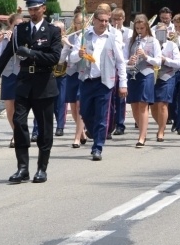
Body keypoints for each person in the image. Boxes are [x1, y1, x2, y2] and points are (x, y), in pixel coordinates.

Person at [0, 0, 62, 183]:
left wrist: (32, 53)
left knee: (44, 128)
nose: (33, 12)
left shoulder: (52, 31)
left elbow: (54, 58)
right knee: (19, 123)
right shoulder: (21, 30)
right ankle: (22, 168)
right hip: (25, 81)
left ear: (44, 9)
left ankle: (42, 169)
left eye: (36, 9)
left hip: (44, 83)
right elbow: (5, 57)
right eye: (30, 9)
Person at [70, 8, 127, 161]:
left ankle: (97, 147)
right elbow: (72, 58)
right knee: (86, 113)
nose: (103, 23)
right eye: (101, 20)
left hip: (105, 82)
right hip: (87, 80)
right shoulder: (84, 35)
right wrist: (78, 54)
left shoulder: (113, 37)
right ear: (94, 20)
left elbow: (120, 62)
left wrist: (123, 83)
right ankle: (95, 133)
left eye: (106, 21)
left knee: (102, 115)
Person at [125, 15, 161, 147]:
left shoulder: (153, 41)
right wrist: (129, 61)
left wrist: (146, 56)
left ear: (147, 27)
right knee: (134, 105)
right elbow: (122, 59)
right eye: (137, 28)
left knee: (143, 104)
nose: (140, 30)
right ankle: (141, 130)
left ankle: (142, 136)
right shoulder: (130, 41)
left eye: (142, 28)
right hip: (133, 74)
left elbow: (158, 61)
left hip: (147, 74)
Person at [0, 12, 22, 148]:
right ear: (10, 24)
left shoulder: (24, 38)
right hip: (7, 75)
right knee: (9, 108)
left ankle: (17, 135)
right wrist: (0, 43)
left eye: (21, 26)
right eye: (16, 25)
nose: (18, 28)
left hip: (21, 75)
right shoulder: (4, 38)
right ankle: (16, 132)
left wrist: (16, 43)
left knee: (20, 107)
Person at [150, 22, 180, 142]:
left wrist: (165, 60)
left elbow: (178, 64)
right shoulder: (151, 44)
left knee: (163, 104)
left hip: (167, 76)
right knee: (153, 106)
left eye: (163, 32)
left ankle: (161, 131)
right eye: (158, 32)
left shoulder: (172, 45)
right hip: (153, 77)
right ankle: (161, 124)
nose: (161, 35)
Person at [62, 12, 87, 148]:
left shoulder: (87, 36)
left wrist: (71, 47)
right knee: (73, 105)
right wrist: (65, 44)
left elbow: (79, 54)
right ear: (74, 24)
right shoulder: (70, 37)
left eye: (83, 23)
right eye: (78, 23)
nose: (80, 25)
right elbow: (63, 59)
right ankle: (81, 131)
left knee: (79, 105)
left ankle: (77, 137)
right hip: (71, 73)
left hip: (82, 74)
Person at [110, 8, 131, 136]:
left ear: (123, 19)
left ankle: (120, 124)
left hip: (124, 66)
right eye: (114, 19)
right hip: (111, 68)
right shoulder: (109, 31)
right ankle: (111, 123)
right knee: (110, 98)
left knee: (121, 98)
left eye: (119, 18)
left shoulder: (129, 33)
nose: (116, 21)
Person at [52, 20, 68, 137]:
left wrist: (65, 45)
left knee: (61, 102)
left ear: (63, 31)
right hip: (49, 76)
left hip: (62, 75)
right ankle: (37, 131)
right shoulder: (49, 41)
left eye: (59, 30)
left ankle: (60, 126)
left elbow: (67, 59)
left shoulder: (67, 41)